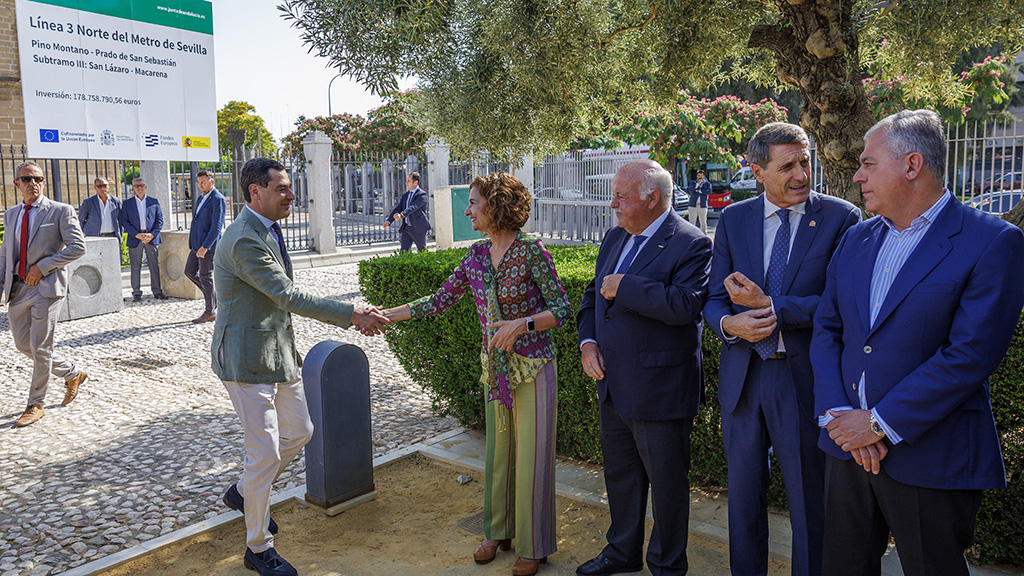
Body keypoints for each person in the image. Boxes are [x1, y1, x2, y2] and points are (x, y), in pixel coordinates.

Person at [811, 109, 1024, 576]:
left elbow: (971, 354)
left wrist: (880, 422)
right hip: (846, 447)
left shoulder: (992, 242)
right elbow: (828, 329)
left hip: (931, 453)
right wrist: (839, 418)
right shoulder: (855, 240)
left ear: (912, 165)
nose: (857, 175)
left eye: (868, 164)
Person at [383, 172, 570, 576]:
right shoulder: (475, 257)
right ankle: (497, 531)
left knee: (533, 457)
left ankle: (533, 545)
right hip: (496, 371)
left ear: (496, 205)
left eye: (473, 203)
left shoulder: (532, 251)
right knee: (498, 455)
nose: (467, 210)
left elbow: (562, 309)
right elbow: (438, 300)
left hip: (534, 366)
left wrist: (522, 324)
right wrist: (386, 315)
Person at [214, 157, 390, 576]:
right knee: (264, 452)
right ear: (255, 192)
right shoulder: (244, 240)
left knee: (301, 432)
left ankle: (242, 494)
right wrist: (352, 313)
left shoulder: (266, 228)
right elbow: (288, 296)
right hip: (245, 359)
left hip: (278, 352)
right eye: (282, 188)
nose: (292, 194)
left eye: (291, 187)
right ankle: (258, 547)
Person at [702, 123, 860, 576]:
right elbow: (712, 299)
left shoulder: (841, 218)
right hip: (743, 380)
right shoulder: (734, 219)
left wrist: (772, 306)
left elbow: (840, 302)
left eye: (805, 160)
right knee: (743, 503)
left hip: (803, 381)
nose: (801, 174)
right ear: (757, 171)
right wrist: (729, 322)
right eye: (787, 165)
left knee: (811, 504)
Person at [577, 159, 712, 576]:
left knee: (668, 488)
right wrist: (587, 343)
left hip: (660, 389)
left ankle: (668, 566)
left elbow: (686, 305)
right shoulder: (616, 236)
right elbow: (590, 296)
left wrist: (627, 287)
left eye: (621, 196)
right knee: (621, 478)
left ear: (652, 199)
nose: (612, 203)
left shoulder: (692, 242)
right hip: (613, 384)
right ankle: (621, 553)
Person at [0, 162, 88, 427]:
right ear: (17, 184)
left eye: (37, 178)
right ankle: (72, 373)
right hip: (18, 287)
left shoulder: (61, 211)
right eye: (26, 179)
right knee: (23, 344)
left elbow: (77, 247)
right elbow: (5, 253)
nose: (33, 183)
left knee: (40, 346)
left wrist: (43, 266)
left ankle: (35, 403)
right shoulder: (12, 213)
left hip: (47, 287)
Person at [185, 170, 226, 323]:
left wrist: (205, 247)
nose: (200, 185)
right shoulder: (201, 197)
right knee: (189, 271)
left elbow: (216, 226)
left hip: (207, 246)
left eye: (203, 182)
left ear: (211, 182)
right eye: (199, 182)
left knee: (205, 276)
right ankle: (212, 298)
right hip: (196, 245)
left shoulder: (218, 199)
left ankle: (210, 311)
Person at [120, 177, 167, 302]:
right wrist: (136, 234)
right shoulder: (127, 204)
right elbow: (124, 221)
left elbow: (159, 220)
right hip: (135, 238)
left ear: (145, 187)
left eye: (141, 185)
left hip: (151, 238)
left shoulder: (154, 202)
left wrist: (152, 234)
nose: (139, 188)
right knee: (135, 267)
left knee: (154, 266)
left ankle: (157, 291)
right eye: (137, 186)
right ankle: (136, 292)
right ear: (133, 188)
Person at [383, 172, 431, 252]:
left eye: (408, 181)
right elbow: (398, 208)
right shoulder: (406, 195)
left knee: (422, 251)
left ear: (415, 183)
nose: (406, 183)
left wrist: (401, 215)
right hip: (407, 228)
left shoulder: (422, 195)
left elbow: (413, 207)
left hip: (418, 228)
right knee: (403, 251)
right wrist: (389, 221)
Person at [78, 177, 123, 241]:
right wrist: (81, 236)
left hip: (112, 236)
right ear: (95, 187)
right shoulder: (88, 202)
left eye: (105, 185)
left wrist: (119, 236)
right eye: (99, 186)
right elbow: (81, 220)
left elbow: (121, 220)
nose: (102, 188)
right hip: (92, 236)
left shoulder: (116, 201)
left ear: (108, 186)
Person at [687, 170, 711, 234]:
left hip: (702, 206)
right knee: (692, 221)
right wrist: (698, 184)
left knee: (703, 221)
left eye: (701, 175)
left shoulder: (707, 184)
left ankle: (703, 233)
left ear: (704, 176)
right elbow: (691, 190)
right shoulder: (693, 183)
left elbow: (708, 192)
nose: (700, 177)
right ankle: (691, 233)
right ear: (697, 176)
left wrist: (699, 190)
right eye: (699, 175)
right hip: (693, 205)